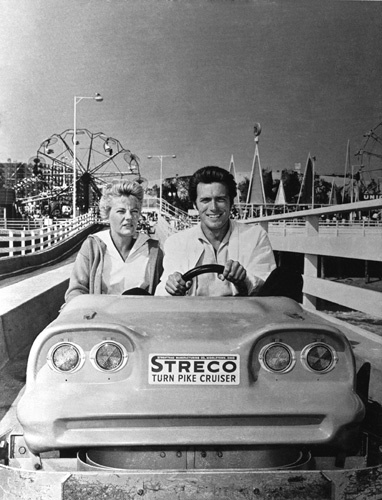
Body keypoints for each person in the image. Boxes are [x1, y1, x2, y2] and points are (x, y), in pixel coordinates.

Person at [155, 166, 278, 297]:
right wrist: (172, 287)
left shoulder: (255, 237)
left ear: (231, 203)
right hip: (192, 315)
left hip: (241, 315)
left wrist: (245, 279)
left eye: (220, 199)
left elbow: (267, 289)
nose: (213, 208)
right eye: (205, 200)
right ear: (195, 205)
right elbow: (162, 292)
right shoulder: (176, 243)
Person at [64, 180, 163, 304]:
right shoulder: (93, 246)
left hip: (140, 318)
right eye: (121, 211)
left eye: (134, 211)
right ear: (107, 214)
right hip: (103, 320)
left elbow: (163, 293)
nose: (129, 217)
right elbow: (76, 291)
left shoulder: (153, 250)